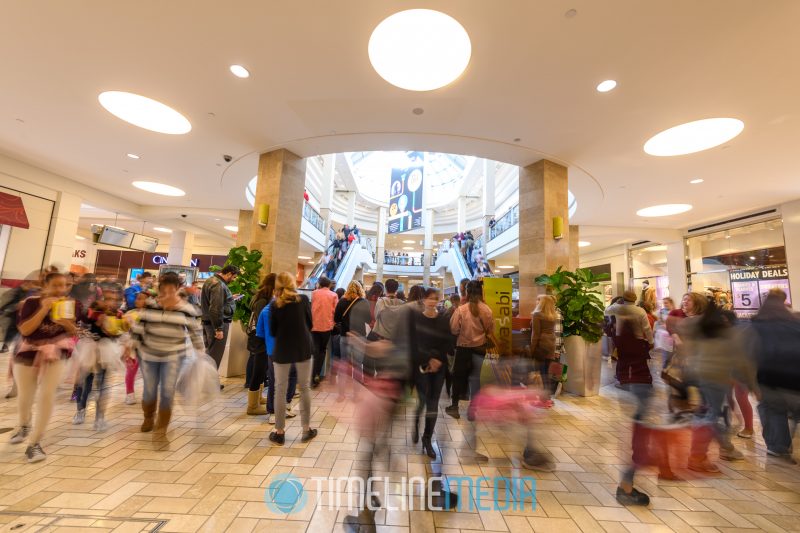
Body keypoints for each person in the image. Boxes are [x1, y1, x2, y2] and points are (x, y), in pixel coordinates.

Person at [9, 272, 77, 462]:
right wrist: (43, 309)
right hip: (28, 352)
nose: (61, 290)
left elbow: (74, 331)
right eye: (56, 285)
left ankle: (35, 443)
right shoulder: (31, 302)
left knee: (47, 395)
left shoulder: (70, 305)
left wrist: (65, 322)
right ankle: (24, 425)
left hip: (57, 353)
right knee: (26, 395)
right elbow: (25, 330)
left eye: (65, 285)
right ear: (45, 286)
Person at [131, 272, 205, 433]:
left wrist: (200, 349)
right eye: (164, 291)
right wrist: (130, 347)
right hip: (149, 354)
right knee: (149, 390)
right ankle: (148, 416)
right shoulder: (151, 304)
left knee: (167, 390)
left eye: (171, 291)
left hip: (174, 356)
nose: (167, 295)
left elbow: (194, 330)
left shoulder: (186, 309)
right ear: (159, 289)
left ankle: (161, 428)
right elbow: (139, 327)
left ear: (178, 289)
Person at [683, 299, 748, 473]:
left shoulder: (699, 328)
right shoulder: (726, 332)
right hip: (716, 379)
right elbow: (740, 359)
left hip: (701, 376)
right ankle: (698, 456)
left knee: (710, 414)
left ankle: (723, 448)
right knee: (713, 416)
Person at [267, 272, 317, 445]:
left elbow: (273, 331)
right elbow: (310, 323)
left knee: (279, 389)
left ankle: (279, 431)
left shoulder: (274, 305)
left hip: (282, 349)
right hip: (303, 347)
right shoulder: (303, 300)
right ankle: (306, 429)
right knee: (304, 388)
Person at [751, 289, 800, 463]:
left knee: (773, 410)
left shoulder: (756, 324)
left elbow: (751, 352)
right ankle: (782, 445)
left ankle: (779, 447)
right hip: (795, 377)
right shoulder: (795, 322)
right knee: (792, 411)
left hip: (768, 377)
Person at [74, 287, 127, 431]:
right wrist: (95, 324)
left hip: (106, 351)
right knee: (85, 382)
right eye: (108, 299)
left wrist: (116, 331)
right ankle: (80, 409)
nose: (111, 302)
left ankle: (100, 417)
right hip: (89, 349)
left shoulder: (118, 314)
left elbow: (118, 333)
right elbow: (80, 325)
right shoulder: (91, 311)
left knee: (103, 384)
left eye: (116, 299)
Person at [408, 287, 451, 459]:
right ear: (424, 300)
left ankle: (427, 439)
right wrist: (429, 359)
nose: (433, 301)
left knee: (433, 405)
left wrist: (437, 360)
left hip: (439, 367)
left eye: (435, 298)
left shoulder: (443, 319)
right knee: (423, 401)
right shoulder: (416, 319)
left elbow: (448, 342)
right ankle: (416, 421)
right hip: (421, 366)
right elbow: (413, 344)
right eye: (429, 298)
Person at [447, 280, 496, 420]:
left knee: (458, 377)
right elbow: (490, 330)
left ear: (467, 292)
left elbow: (453, 329)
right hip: (480, 349)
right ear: (481, 292)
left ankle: (454, 407)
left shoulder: (461, 309)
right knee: (475, 379)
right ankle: (472, 410)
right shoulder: (487, 310)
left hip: (463, 349)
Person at [245, 274, 275, 416]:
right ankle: (252, 406)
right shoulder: (263, 301)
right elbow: (263, 322)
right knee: (259, 370)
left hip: (259, 338)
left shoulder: (261, 298)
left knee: (262, 369)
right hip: (259, 339)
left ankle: (258, 398)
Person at [201, 265, 239, 370]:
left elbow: (214, 302)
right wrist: (219, 328)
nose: (233, 279)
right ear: (229, 274)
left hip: (209, 322)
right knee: (214, 356)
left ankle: (208, 381)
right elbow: (215, 308)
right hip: (216, 324)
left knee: (210, 354)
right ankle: (209, 384)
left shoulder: (211, 280)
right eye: (234, 277)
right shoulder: (218, 284)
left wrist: (231, 298)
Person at [311, 276, 338, 387]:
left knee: (315, 350)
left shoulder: (314, 293)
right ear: (329, 285)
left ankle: (312, 375)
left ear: (320, 284)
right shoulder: (334, 295)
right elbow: (335, 312)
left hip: (314, 326)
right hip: (327, 327)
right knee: (322, 350)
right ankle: (316, 374)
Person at [123, 291, 148, 404]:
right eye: (137, 298)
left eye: (140, 298)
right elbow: (124, 330)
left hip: (147, 348)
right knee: (131, 371)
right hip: (133, 346)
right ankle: (129, 394)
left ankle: (148, 395)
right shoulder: (130, 313)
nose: (137, 300)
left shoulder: (151, 315)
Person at [530, 295, 558, 387]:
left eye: (538, 300)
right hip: (551, 342)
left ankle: (542, 394)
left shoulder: (537, 315)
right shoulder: (553, 315)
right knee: (547, 370)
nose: (536, 301)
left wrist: (532, 349)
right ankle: (547, 393)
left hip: (541, 343)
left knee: (540, 370)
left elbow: (535, 334)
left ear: (542, 303)